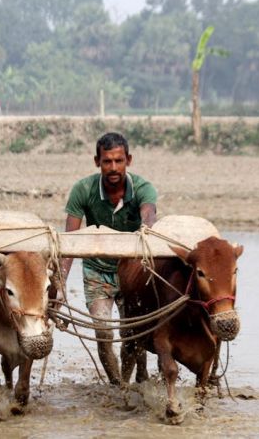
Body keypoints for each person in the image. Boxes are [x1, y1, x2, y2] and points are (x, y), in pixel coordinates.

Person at [61, 132, 157, 384]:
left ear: (128, 160)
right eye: (107, 161)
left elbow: (149, 215)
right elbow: (70, 242)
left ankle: (130, 376)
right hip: (97, 269)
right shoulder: (83, 190)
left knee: (132, 334)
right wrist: (59, 286)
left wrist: (148, 229)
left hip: (132, 271)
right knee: (103, 331)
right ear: (97, 162)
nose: (113, 168)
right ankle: (118, 387)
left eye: (118, 161)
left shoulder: (143, 189)